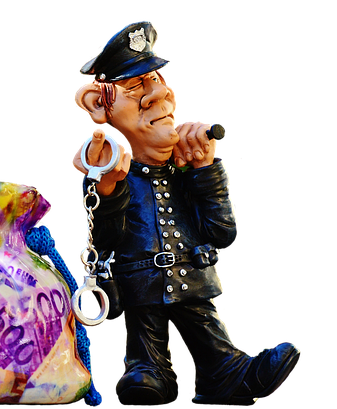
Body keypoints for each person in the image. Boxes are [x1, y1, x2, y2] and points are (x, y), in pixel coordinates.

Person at [71, 20, 301, 405]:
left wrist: (206, 170)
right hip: (139, 284)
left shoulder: (187, 168)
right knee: (144, 347)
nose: (159, 93)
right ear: (98, 104)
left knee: (205, 327)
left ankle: (224, 372)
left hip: (195, 279)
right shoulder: (110, 169)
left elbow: (221, 232)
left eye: (158, 79)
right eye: (136, 87)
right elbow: (104, 240)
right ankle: (149, 370)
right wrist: (106, 187)